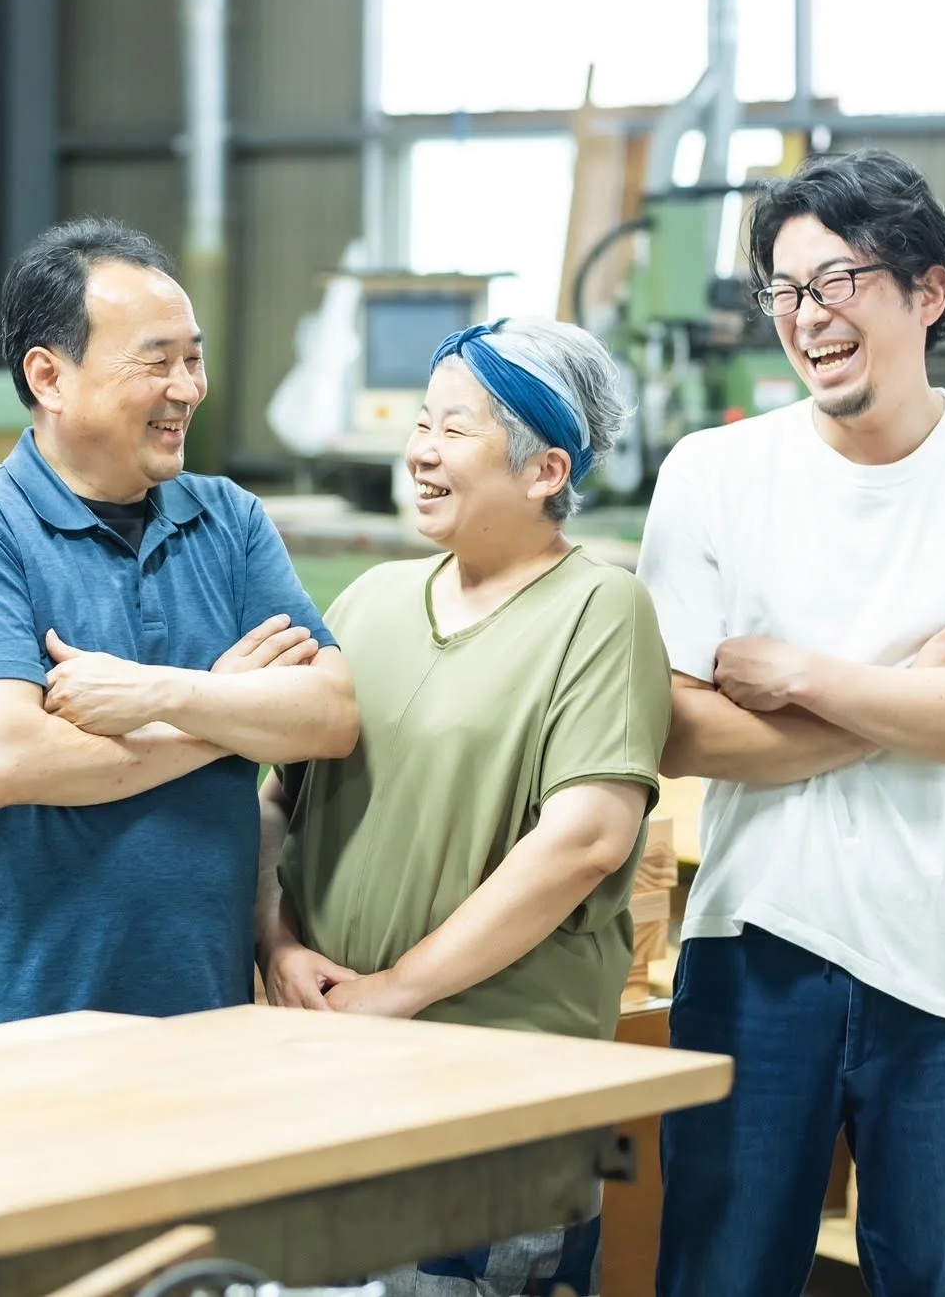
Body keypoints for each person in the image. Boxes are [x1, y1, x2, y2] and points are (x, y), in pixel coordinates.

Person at [638, 149, 945, 1296]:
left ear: (928, 290)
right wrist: (923, 682)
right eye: (785, 292)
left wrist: (804, 673)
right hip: (755, 954)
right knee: (720, 1279)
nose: (808, 318)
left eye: (838, 280)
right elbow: (678, 734)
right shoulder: (712, 473)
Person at [263, 316, 672, 1297]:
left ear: (545, 471)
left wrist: (397, 990)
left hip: (492, 1090)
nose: (419, 450)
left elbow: (586, 840)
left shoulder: (600, 611)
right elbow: (278, 803)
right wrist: (276, 947)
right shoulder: (370, 602)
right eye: (420, 421)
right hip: (329, 1060)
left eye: (454, 428)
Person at [0, 217, 358, 1032]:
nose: (188, 387)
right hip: (25, 1027)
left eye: (194, 358)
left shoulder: (231, 520)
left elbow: (330, 717)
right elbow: (8, 759)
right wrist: (232, 714)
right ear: (49, 377)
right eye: (157, 361)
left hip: (207, 1020)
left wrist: (156, 693)